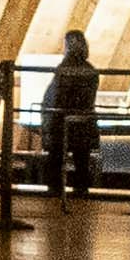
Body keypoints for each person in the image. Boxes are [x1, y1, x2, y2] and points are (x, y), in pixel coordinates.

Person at [43, 29, 102, 200]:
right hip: (84, 121)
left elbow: (56, 96)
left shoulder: (63, 69)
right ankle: (81, 188)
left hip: (62, 120)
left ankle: (55, 188)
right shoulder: (90, 70)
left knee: (56, 156)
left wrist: (50, 119)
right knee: (81, 158)